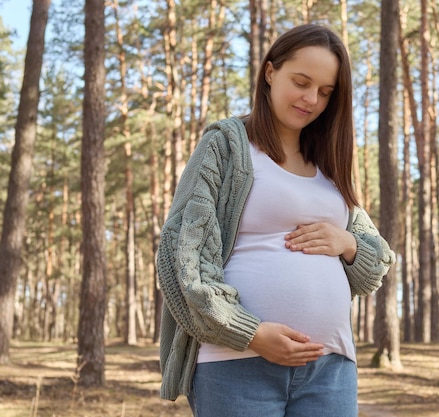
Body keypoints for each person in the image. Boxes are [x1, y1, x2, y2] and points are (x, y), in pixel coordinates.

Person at [156, 24, 395, 417]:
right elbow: (182, 256)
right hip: (236, 362)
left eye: (325, 91)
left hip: (330, 367)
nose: (311, 99)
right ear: (270, 73)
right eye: (301, 82)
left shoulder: (330, 165)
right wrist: (250, 332)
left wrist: (347, 244)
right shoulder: (227, 146)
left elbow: (374, 266)